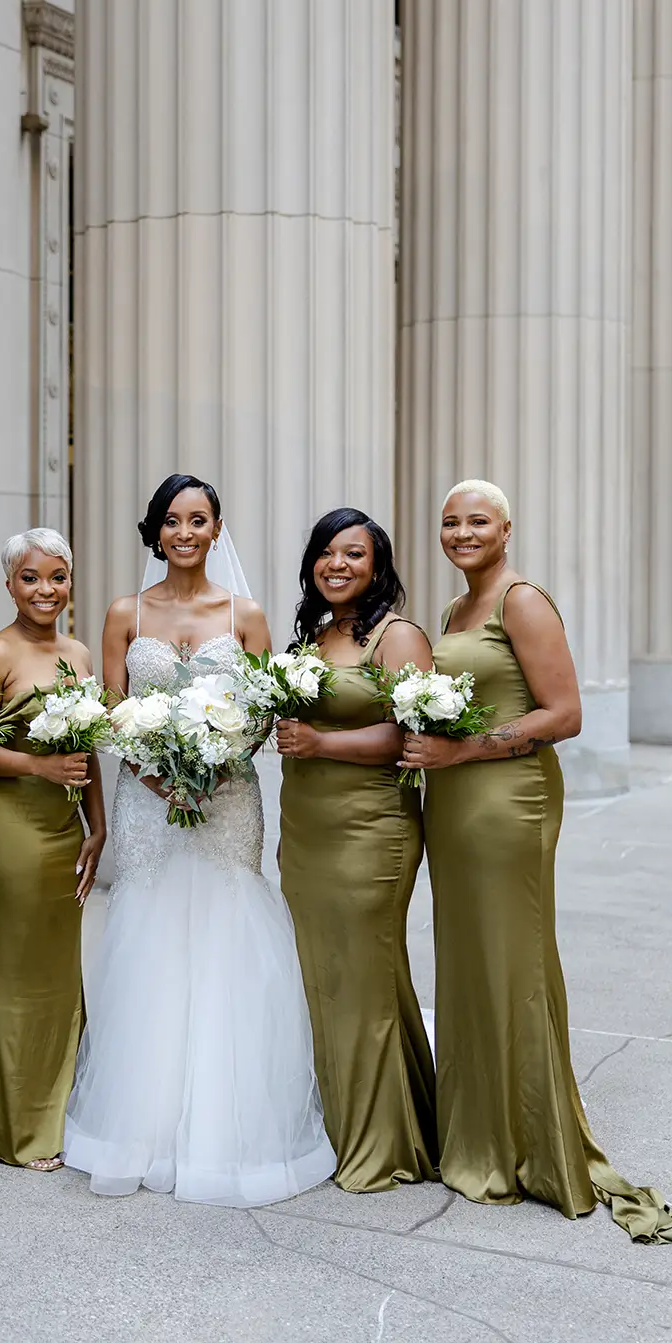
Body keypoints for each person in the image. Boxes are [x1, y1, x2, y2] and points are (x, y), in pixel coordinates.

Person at [406, 480, 672, 1242]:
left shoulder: (520, 600)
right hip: (455, 805)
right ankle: (476, 1136)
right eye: (450, 522)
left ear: (507, 528)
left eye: (478, 520)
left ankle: (530, 1143)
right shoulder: (452, 611)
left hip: (507, 803)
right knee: (468, 962)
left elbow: (565, 713)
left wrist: (465, 748)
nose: (462, 532)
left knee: (514, 961)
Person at [64, 474, 336, 1206]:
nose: (185, 533)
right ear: (156, 531)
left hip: (227, 799)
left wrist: (215, 765)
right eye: (172, 521)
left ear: (218, 531)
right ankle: (143, 1128)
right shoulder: (126, 612)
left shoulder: (245, 614)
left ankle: (226, 1130)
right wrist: (160, 776)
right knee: (152, 935)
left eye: (199, 520)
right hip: (149, 800)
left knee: (226, 932)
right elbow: (113, 711)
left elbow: (259, 713)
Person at [277, 509, 438, 1191]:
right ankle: (355, 1118)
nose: (337, 565)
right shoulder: (313, 638)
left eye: (354, 554)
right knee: (327, 974)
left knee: (365, 976)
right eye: (327, 552)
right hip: (307, 829)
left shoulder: (396, 637)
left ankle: (381, 1144)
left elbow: (411, 736)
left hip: (371, 829)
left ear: (378, 566)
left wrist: (321, 743)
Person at [0, 530, 106, 1172]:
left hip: (65, 824)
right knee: (15, 967)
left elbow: (88, 749)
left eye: (57, 577)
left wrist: (97, 826)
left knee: (60, 967)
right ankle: (7, 1126)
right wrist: (39, 771)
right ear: (10, 585)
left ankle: (57, 1109)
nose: (46, 590)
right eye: (31, 578)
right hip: (9, 822)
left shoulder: (80, 653)